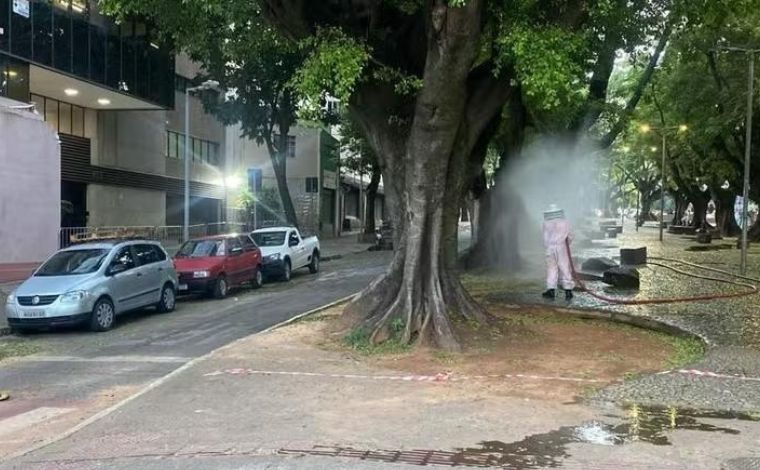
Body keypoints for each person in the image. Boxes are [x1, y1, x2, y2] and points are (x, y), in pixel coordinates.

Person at [542, 205, 574, 301]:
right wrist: (568, 242)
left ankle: (551, 290)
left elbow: (544, 237)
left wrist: (548, 245)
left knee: (552, 268)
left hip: (549, 248)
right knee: (564, 267)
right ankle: (568, 291)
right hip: (561, 247)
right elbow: (571, 235)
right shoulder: (565, 222)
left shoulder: (545, 223)